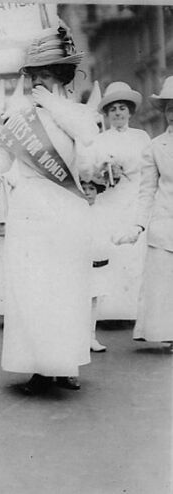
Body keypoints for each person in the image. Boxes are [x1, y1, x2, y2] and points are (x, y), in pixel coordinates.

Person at [0, 24, 103, 394]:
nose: (38, 83)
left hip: (66, 210)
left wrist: (52, 103)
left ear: (63, 78)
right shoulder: (17, 119)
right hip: (29, 211)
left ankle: (65, 364)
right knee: (32, 289)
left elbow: (88, 146)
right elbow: (0, 165)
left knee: (65, 289)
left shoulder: (77, 114)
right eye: (34, 76)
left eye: (46, 76)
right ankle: (36, 365)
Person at [114, 76, 173, 352]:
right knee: (163, 284)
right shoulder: (155, 146)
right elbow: (147, 191)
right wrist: (137, 226)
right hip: (164, 224)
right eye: (169, 108)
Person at [91, 82, 151, 320]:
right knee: (112, 249)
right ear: (107, 113)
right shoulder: (100, 140)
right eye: (113, 109)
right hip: (110, 198)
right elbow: (92, 171)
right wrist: (104, 171)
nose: (118, 113)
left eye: (122, 109)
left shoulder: (141, 137)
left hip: (135, 197)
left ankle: (133, 310)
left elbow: (149, 169)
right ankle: (110, 311)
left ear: (129, 112)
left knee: (135, 253)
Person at [83, 181, 111, 352]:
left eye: (91, 189)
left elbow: (109, 234)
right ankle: (77, 338)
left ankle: (90, 337)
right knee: (79, 301)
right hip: (79, 265)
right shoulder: (75, 211)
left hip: (97, 264)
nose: (87, 192)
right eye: (84, 188)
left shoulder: (102, 212)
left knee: (93, 301)